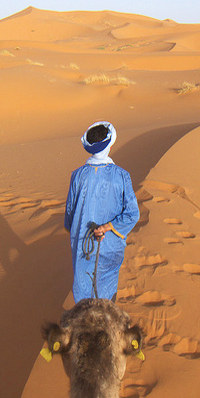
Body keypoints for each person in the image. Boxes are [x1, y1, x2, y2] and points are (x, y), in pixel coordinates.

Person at [64, 121, 140, 303]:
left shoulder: (78, 175)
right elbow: (132, 214)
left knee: (83, 293)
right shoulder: (122, 176)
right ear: (110, 145)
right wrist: (106, 228)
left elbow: (69, 217)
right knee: (106, 296)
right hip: (110, 244)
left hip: (83, 245)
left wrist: (82, 231)